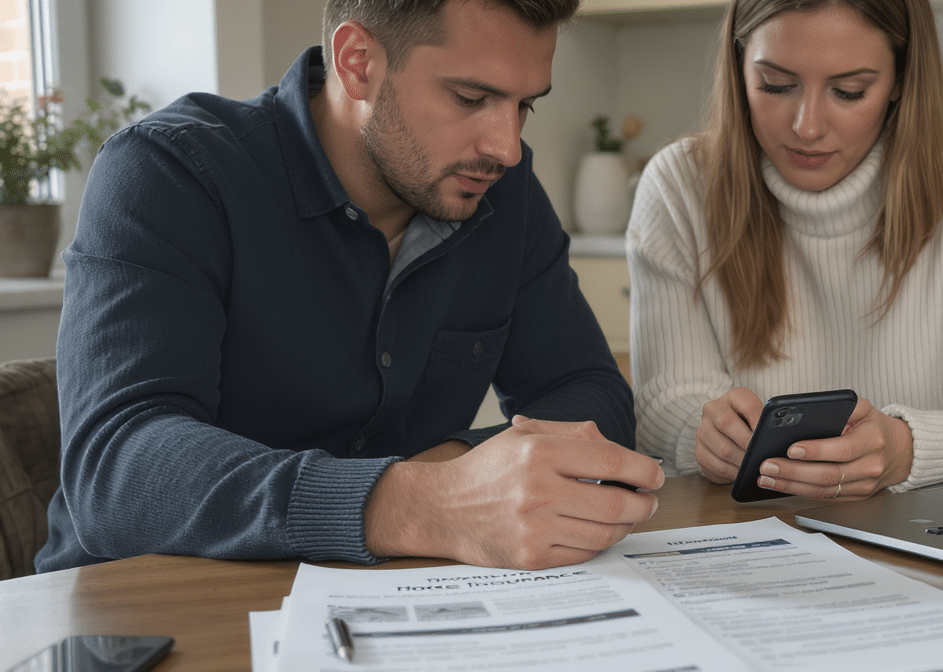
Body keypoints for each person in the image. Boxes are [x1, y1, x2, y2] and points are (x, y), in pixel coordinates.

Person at [36, 0, 664, 574]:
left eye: (525, 105)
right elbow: (117, 468)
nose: (506, 148)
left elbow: (591, 395)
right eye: (471, 98)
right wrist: (417, 503)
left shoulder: (504, 193)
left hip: (388, 599)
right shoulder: (168, 173)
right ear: (357, 62)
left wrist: (448, 473)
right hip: (150, 602)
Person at [627, 0, 943, 500]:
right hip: (759, 538)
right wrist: (702, 434)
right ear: (738, 68)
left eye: (850, 92)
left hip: (942, 538)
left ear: (900, 81)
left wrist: (913, 446)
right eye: (775, 84)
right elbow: (665, 406)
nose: (807, 125)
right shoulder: (680, 186)